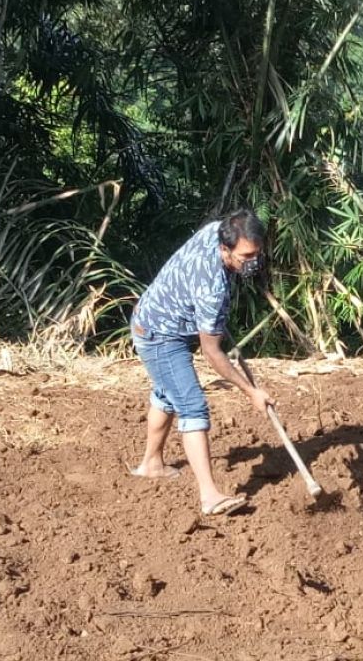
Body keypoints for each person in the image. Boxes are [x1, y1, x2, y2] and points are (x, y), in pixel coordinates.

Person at [129, 209, 276, 516]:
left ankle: (151, 464)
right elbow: (212, 353)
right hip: (159, 335)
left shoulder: (215, 230)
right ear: (225, 249)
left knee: (167, 393)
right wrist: (251, 392)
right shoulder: (213, 289)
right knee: (192, 405)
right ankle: (210, 496)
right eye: (246, 256)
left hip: (158, 319)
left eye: (257, 254)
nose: (253, 263)